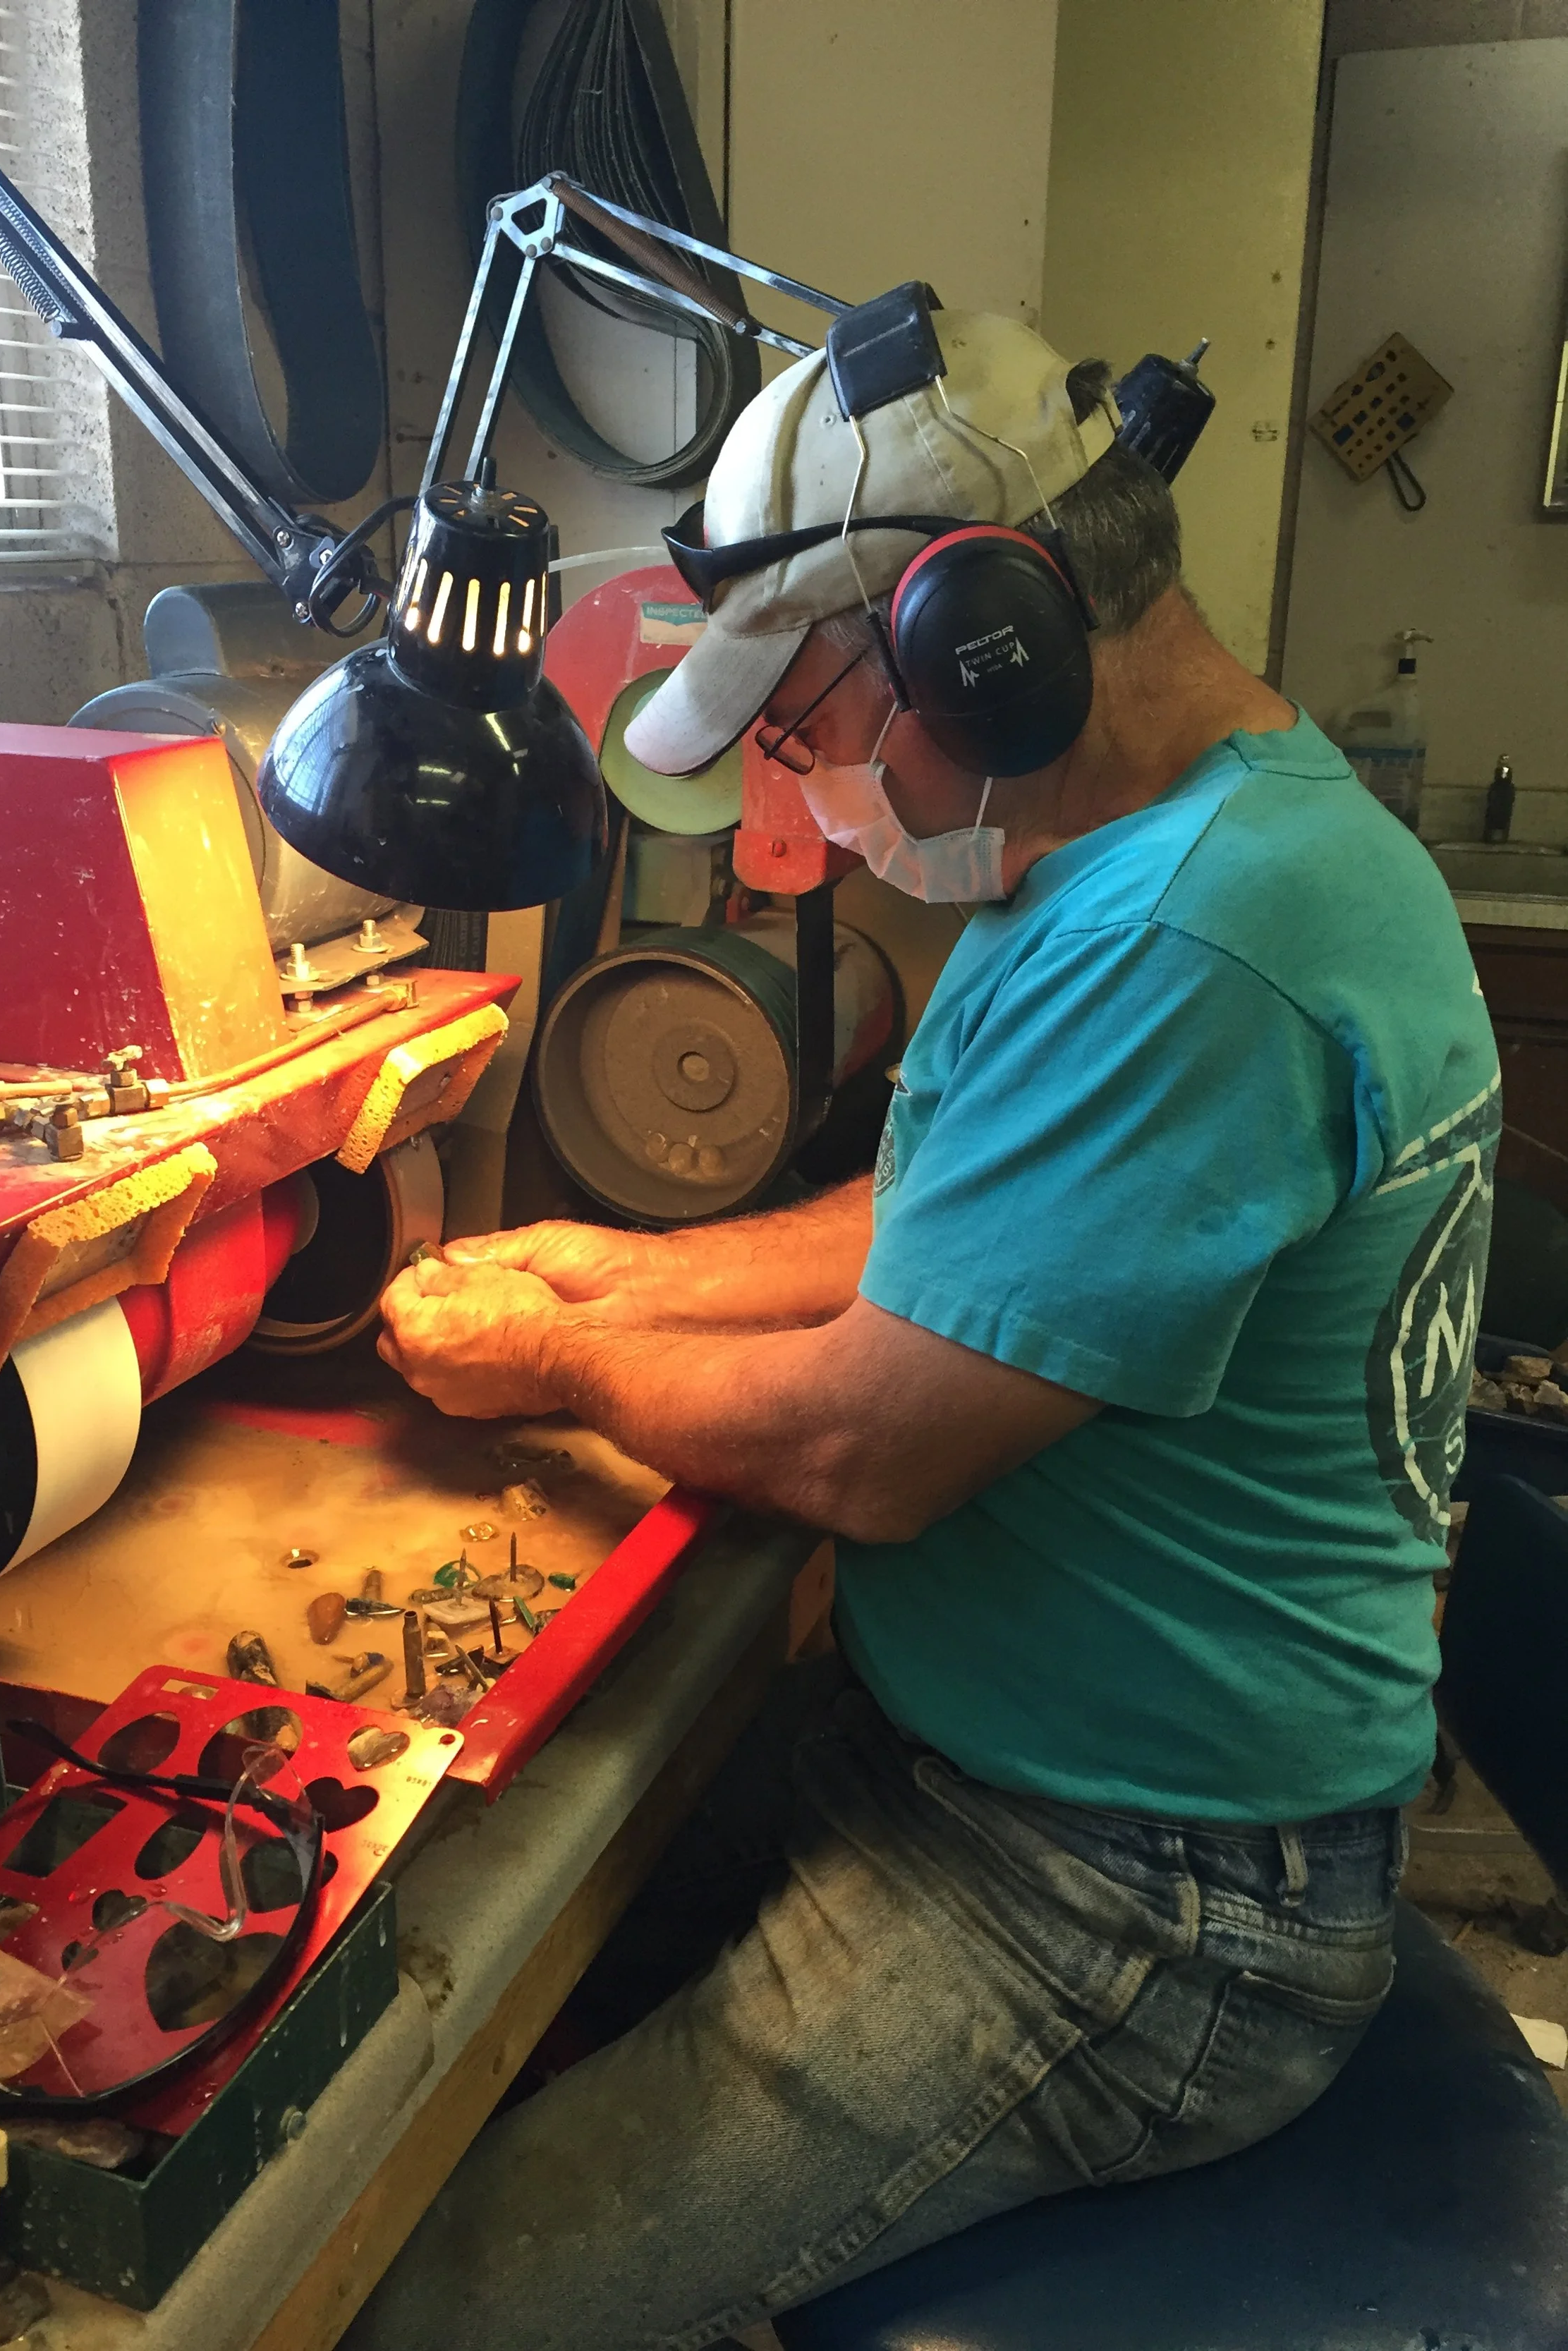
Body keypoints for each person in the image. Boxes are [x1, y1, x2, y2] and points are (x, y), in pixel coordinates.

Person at [349, 311, 1498, 2351]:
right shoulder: (1158, 851)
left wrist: (558, 1365)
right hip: (977, 1771)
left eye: (805, 720)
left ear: (987, 632)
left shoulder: (1195, 937)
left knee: (398, 2298)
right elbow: (953, 1222)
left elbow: (861, 1444)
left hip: (1131, 1908)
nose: (805, 786)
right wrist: (618, 1277)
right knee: (413, 2019)